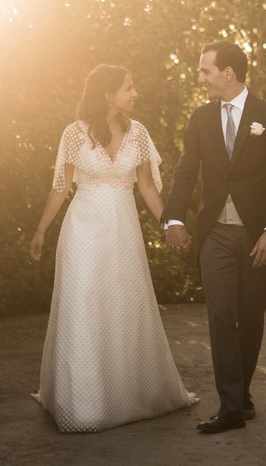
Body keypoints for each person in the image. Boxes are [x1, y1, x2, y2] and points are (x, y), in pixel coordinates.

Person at [30, 64, 198, 433]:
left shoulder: (138, 133)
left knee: (125, 305)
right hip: (82, 232)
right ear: (108, 95)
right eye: (128, 88)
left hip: (123, 232)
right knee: (83, 304)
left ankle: (128, 395)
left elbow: (147, 187)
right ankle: (81, 402)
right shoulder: (74, 134)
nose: (135, 94)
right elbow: (61, 186)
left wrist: (171, 224)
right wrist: (41, 229)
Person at [163, 41, 266, 434]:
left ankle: (241, 393)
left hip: (256, 237)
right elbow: (186, 171)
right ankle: (231, 407)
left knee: (251, 317)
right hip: (215, 234)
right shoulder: (201, 117)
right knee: (220, 317)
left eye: (205, 71)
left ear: (227, 73)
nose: (201, 78)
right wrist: (174, 219)